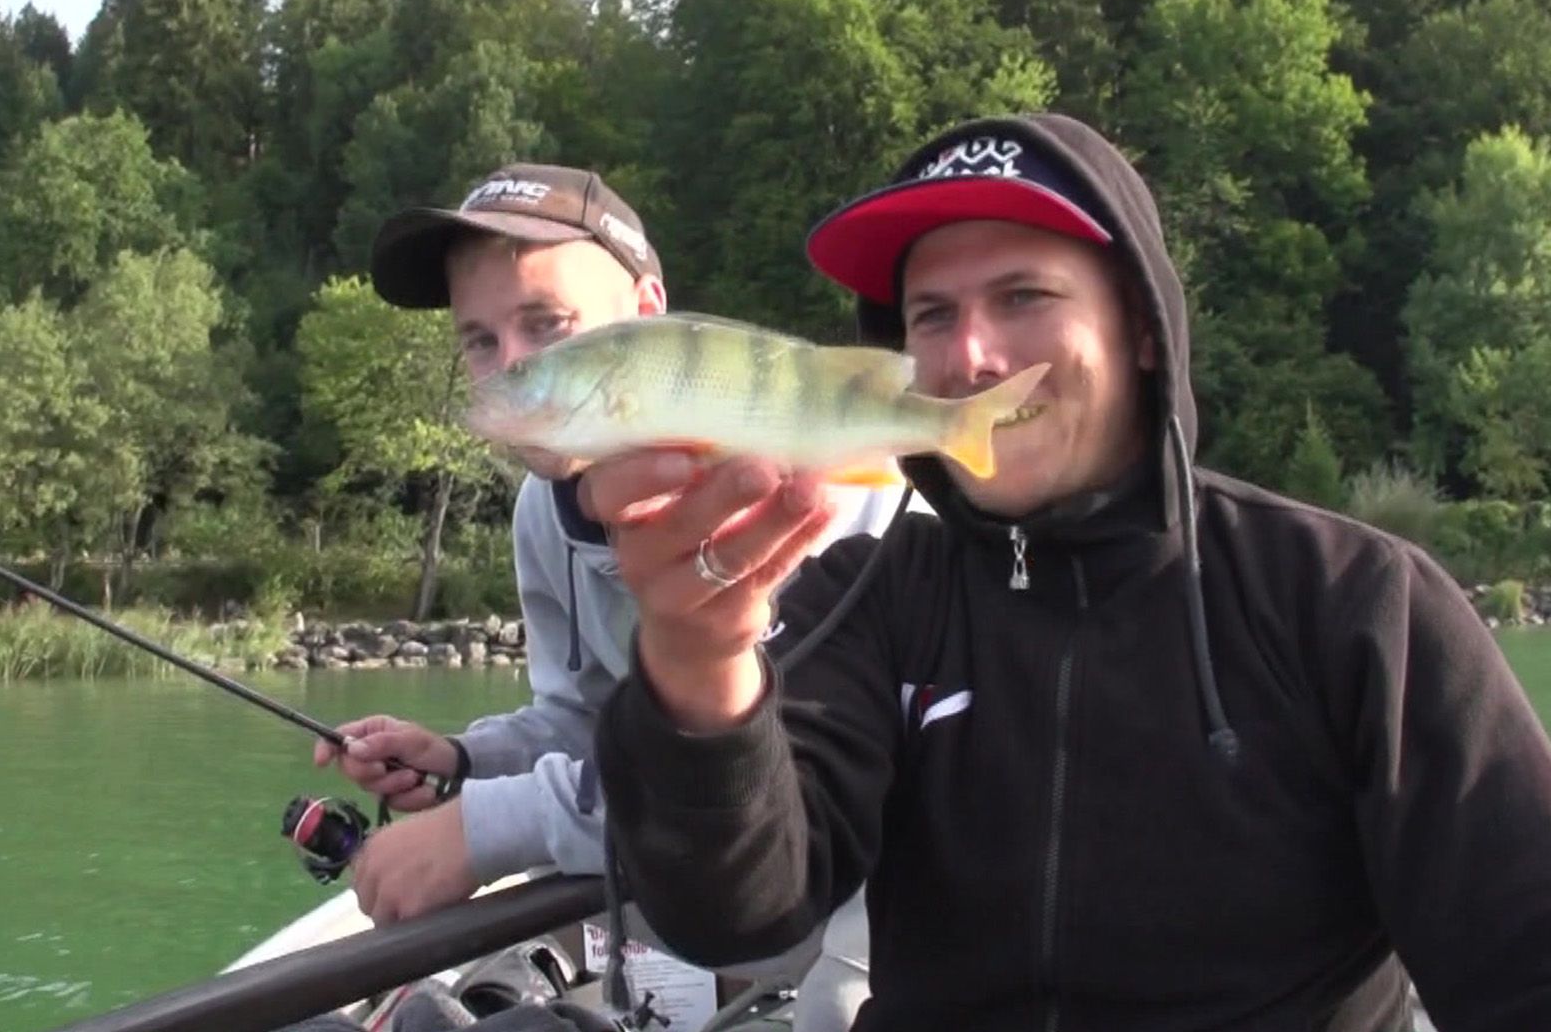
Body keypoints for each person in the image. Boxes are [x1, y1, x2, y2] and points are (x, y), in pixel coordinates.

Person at [576, 112, 1551, 1031]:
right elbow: (737, 912)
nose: (970, 356)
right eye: (930, 314)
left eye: (1023, 297)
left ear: (1141, 329)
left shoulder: (1354, 607)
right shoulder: (869, 597)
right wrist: (698, 664)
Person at [312, 162, 921, 1025]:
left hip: (885, 870)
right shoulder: (540, 510)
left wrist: (487, 829)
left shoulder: (791, 488)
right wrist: (463, 763)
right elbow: (586, 718)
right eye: (480, 341)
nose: (508, 364)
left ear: (645, 317)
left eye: (546, 325)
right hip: (719, 876)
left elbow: (755, 770)